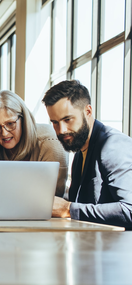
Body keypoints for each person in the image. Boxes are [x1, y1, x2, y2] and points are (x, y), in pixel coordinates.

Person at [42, 80, 132, 229]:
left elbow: (129, 210)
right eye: (55, 122)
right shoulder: (80, 150)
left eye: (67, 119)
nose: (62, 130)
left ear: (88, 112)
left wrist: (68, 209)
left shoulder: (112, 145)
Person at [0, 90, 68, 196]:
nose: (4, 134)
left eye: (10, 124)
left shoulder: (50, 142)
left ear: (24, 119)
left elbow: (53, 199)